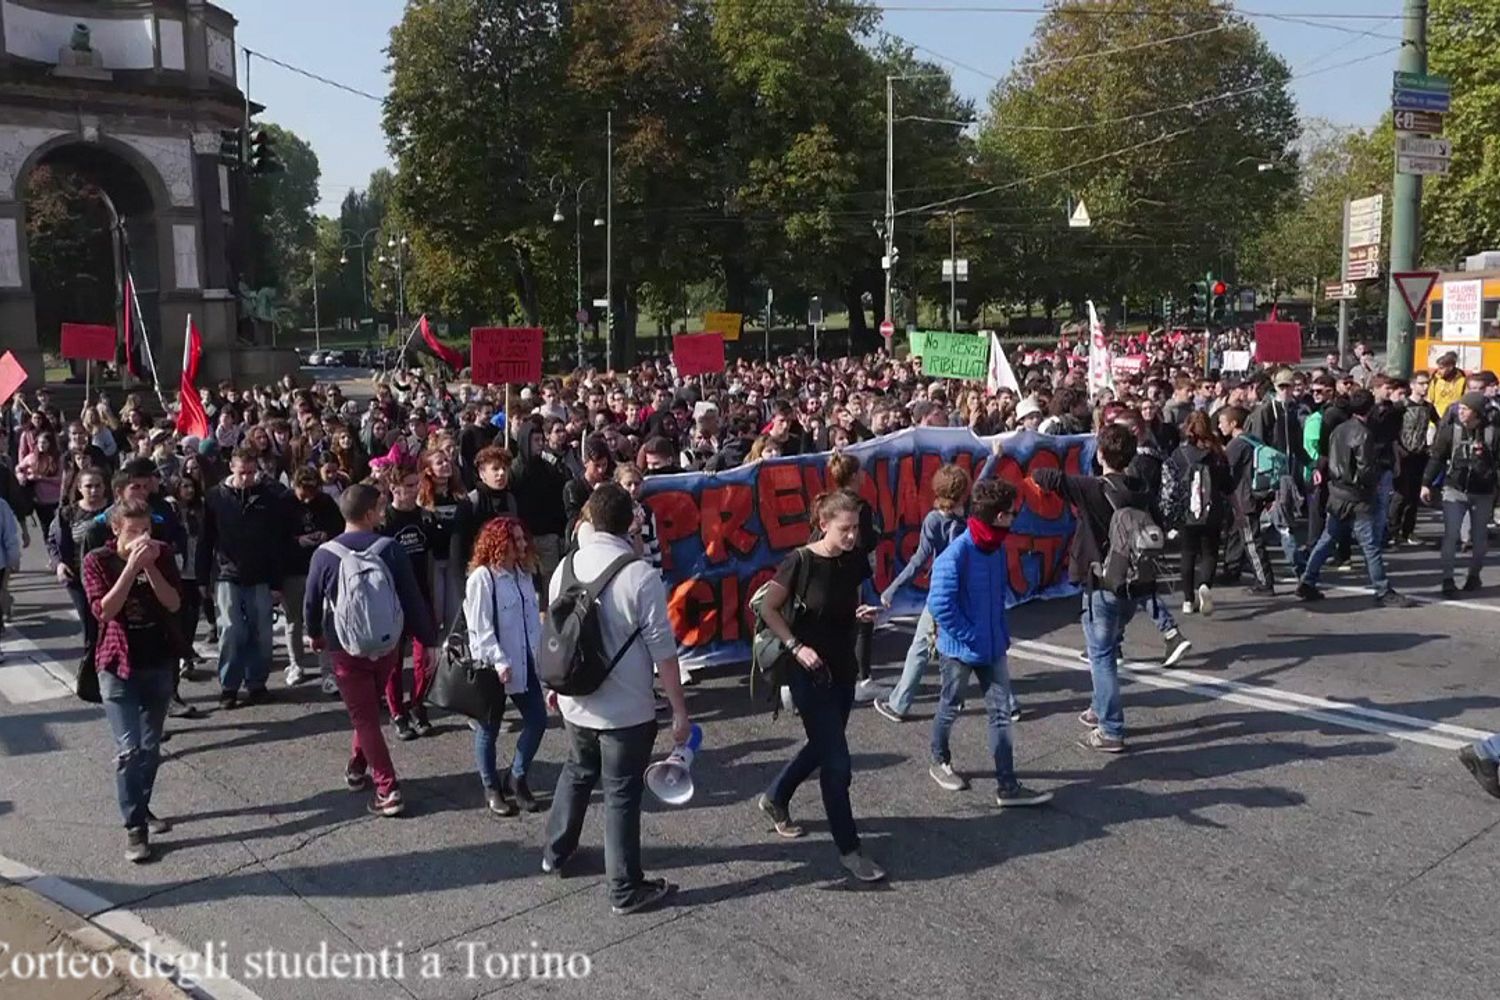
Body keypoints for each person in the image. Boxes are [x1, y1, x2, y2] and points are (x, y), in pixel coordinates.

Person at [542, 483, 690, 915]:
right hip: (625, 707)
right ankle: (624, 888)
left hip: (574, 699)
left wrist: (554, 687)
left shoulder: (565, 566)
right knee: (622, 794)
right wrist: (679, 709)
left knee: (577, 769)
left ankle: (555, 851)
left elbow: (555, 632)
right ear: (629, 522)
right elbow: (663, 651)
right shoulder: (640, 574)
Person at [754, 489, 885, 882]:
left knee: (825, 744)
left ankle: (776, 797)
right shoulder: (800, 562)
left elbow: (852, 599)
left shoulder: (856, 558)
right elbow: (767, 607)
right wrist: (796, 647)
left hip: (842, 668)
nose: (851, 536)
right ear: (823, 524)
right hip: (809, 673)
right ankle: (850, 850)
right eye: (844, 529)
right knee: (837, 763)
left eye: (856, 528)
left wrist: (864, 613)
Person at [1030, 424, 1184, 754]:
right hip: (1135, 582)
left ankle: (1111, 728)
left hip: (1102, 581)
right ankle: (1098, 709)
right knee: (1110, 645)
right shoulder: (1141, 488)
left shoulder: (1091, 488)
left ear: (1100, 455)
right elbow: (1160, 523)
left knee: (1102, 657)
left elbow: (1045, 476)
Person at [304, 483, 439, 818]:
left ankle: (387, 788)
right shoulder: (389, 549)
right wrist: (428, 639)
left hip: (344, 645)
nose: (382, 513)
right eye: (379, 508)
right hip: (387, 645)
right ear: (368, 514)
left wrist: (314, 634)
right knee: (366, 714)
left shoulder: (324, 554)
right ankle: (356, 766)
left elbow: (311, 601)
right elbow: (411, 597)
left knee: (363, 716)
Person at [926, 478, 1052, 806]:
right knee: (950, 705)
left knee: (1000, 714)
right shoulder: (957, 554)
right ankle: (939, 760)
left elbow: (996, 598)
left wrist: (999, 633)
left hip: (992, 648)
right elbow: (940, 605)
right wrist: (973, 636)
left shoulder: (995, 548)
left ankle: (1007, 786)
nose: (1015, 518)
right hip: (959, 651)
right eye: (1011, 513)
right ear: (997, 517)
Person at [82, 500, 186, 862]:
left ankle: (141, 808)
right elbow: (104, 611)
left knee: (150, 747)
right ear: (115, 531)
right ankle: (135, 827)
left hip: (157, 662)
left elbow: (173, 603)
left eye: (146, 531)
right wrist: (129, 569)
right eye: (133, 531)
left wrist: (152, 568)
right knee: (129, 751)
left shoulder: (163, 554)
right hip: (117, 665)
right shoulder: (97, 560)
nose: (142, 538)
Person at [874, 462, 972, 723]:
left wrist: (892, 588)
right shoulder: (969, 513)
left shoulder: (933, 520)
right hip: (967, 588)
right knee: (964, 645)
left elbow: (919, 560)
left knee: (920, 647)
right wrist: (993, 457)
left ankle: (899, 704)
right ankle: (995, 702)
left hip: (942, 591)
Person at [1296, 389, 1414, 607]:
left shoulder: (1338, 429)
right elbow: (1365, 467)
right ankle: (1382, 589)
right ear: (1369, 409)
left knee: (1327, 539)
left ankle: (1308, 580)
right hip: (1356, 494)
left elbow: (1330, 455)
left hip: (1337, 491)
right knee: (1370, 545)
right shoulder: (1363, 433)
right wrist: (1373, 485)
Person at [465, 516, 549, 816]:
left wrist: (542, 658)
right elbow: (480, 627)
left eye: (523, 539)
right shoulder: (483, 579)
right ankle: (491, 786)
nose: (523, 545)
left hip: (524, 661)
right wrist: (499, 660)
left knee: (538, 719)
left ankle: (517, 776)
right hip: (493, 666)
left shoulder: (523, 574)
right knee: (489, 729)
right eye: (516, 540)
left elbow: (532, 623)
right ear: (499, 543)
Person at [198, 447, 289, 710]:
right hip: (228, 573)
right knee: (232, 631)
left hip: (260, 575)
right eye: (242, 473)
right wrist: (203, 577)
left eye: (251, 473)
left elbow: (276, 542)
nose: (247, 478)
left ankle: (257, 683)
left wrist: (276, 583)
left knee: (261, 633)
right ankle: (229, 686)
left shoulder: (268, 497)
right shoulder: (215, 497)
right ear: (232, 469)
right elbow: (206, 540)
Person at [377, 459, 438, 740]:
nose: (415, 490)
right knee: (393, 661)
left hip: (420, 596)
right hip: (391, 599)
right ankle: (396, 711)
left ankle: (417, 704)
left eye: (417, 484)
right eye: (409, 486)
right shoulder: (384, 522)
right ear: (394, 488)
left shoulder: (426, 518)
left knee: (426, 656)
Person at [1423, 391, 1498, 597]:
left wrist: (1487, 461)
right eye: (1460, 408)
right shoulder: (1451, 431)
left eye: (1466, 409)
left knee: (1479, 537)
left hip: (1483, 491)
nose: (1460, 412)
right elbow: (1437, 457)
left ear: (1477, 412)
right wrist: (1426, 483)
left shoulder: (1493, 432)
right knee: (1451, 535)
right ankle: (1447, 579)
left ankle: (1474, 575)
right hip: (1454, 488)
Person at [1169, 410, 1232, 614]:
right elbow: (1226, 485)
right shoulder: (1217, 453)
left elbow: (1172, 481)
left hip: (1187, 510)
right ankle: (1204, 584)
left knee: (1187, 553)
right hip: (1211, 509)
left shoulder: (1180, 453)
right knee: (1210, 551)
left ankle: (1188, 600)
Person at [48, 467, 110, 674]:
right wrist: (59, 564)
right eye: (88, 486)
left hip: (111, 578)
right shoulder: (68, 513)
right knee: (90, 625)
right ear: (80, 488)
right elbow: (53, 542)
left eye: (98, 485)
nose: (94, 490)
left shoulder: (114, 511)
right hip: (78, 579)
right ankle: (91, 671)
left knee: (110, 624)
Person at [285, 468, 342, 687]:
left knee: (325, 619)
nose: (308, 497)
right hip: (293, 568)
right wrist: (297, 540)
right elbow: (275, 537)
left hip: (320, 568)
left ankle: (327, 670)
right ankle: (295, 664)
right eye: (303, 492)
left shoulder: (325, 501)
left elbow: (338, 526)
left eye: (312, 492)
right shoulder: (285, 503)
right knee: (294, 621)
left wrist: (325, 534)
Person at [1391, 371, 1436, 547]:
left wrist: (1431, 447)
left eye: (1427, 383)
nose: (1425, 387)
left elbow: (1440, 424)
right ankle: (1393, 530)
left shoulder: (1428, 407)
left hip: (1420, 455)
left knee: (1414, 496)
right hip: (1403, 456)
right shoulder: (1401, 406)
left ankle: (1408, 530)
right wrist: (1398, 448)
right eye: (1421, 383)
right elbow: (1392, 428)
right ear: (1412, 385)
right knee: (1400, 495)